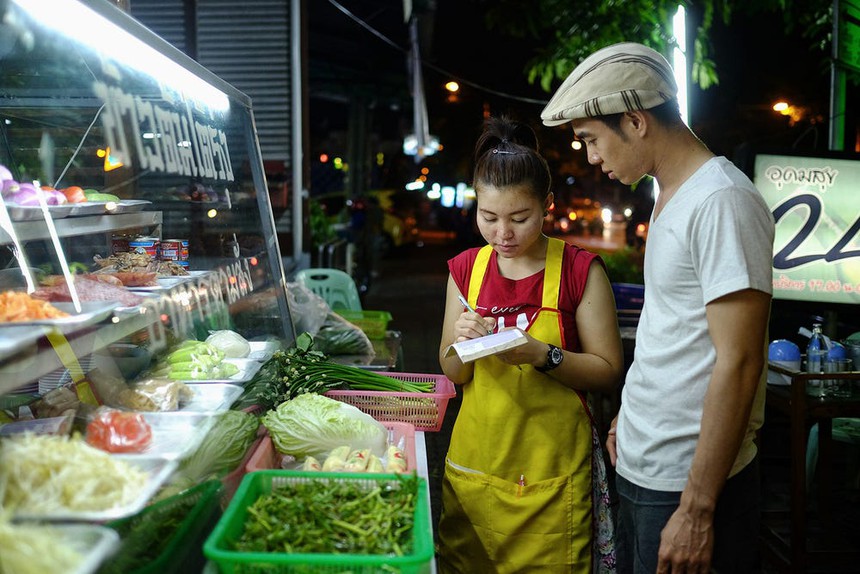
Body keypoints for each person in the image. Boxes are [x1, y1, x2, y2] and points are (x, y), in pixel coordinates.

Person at [541, 42, 775, 573]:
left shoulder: (722, 201)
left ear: (635, 120)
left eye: (591, 140)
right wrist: (633, 414)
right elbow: (672, 330)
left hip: (687, 485)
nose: (592, 157)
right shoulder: (671, 193)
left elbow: (739, 363)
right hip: (645, 464)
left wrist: (697, 509)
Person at [437, 116, 625, 573]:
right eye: (489, 217)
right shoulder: (465, 270)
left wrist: (542, 355)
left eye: (520, 218)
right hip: (477, 468)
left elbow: (608, 371)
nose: (504, 233)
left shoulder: (580, 270)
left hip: (552, 475)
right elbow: (452, 371)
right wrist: (461, 345)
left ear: (547, 206)